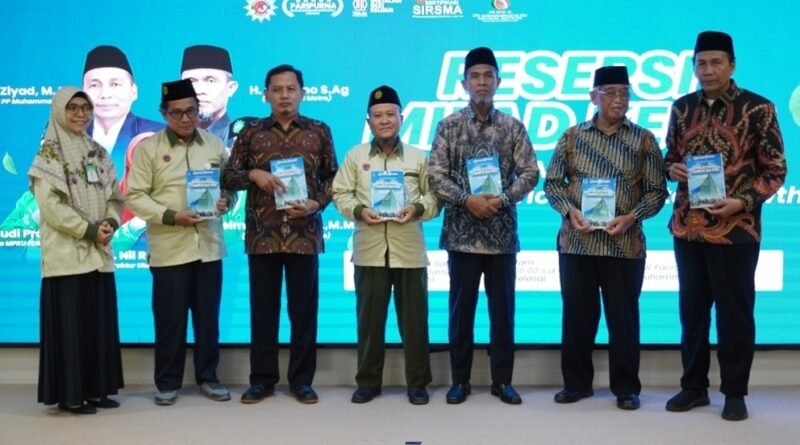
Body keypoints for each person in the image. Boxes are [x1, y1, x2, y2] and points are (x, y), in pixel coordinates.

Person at [663, 31, 787, 421]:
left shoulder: (758, 108)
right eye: (701, 63)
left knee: (735, 314)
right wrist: (671, 168)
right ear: (693, 67)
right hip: (689, 227)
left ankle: (735, 392)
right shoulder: (682, 108)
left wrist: (742, 201)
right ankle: (693, 387)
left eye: (717, 62)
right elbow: (670, 154)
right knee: (692, 312)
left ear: (732, 65)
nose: (708, 70)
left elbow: (775, 170)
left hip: (736, 229)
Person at [544, 66, 668, 411]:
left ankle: (626, 388)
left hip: (624, 245)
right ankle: (576, 384)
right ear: (593, 97)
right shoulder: (571, 137)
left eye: (624, 93)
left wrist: (632, 217)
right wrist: (570, 211)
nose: (618, 99)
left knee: (623, 320)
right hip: (577, 243)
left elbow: (657, 191)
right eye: (610, 92)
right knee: (577, 318)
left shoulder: (644, 140)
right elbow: (552, 184)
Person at [428, 47, 539, 405]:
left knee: (503, 314)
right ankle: (459, 381)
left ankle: (502, 381)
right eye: (474, 76)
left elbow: (530, 172)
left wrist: (502, 199)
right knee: (461, 313)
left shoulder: (512, 126)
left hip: (501, 236)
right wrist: (467, 200)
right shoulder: (449, 126)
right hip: (461, 236)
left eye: (487, 76)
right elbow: (435, 175)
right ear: (463, 83)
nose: (481, 82)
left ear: (498, 82)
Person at [222, 64, 338, 405]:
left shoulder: (319, 131)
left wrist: (317, 203)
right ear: (266, 95)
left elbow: (333, 178)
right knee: (263, 311)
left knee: (304, 313)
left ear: (302, 93)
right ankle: (262, 380)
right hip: (264, 236)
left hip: (304, 235)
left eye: (291, 89)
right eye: (277, 89)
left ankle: (302, 381)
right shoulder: (251, 133)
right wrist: (253, 174)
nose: (284, 95)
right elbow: (228, 176)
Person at [125, 79, 235, 406]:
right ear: (164, 113)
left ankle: (208, 377)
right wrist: (172, 216)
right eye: (177, 113)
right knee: (170, 320)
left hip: (208, 247)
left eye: (191, 111)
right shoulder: (149, 148)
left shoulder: (214, 145)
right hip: (169, 249)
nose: (185, 119)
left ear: (198, 110)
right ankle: (167, 382)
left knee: (207, 319)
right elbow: (135, 196)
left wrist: (226, 202)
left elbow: (229, 188)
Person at [332, 85, 438, 405]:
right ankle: (368, 382)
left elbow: (435, 197)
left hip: (409, 251)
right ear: (369, 121)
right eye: (377, 116)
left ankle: (417, 383)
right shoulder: (355, 156)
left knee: (415, 323)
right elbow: (340, 193)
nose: (384, 120)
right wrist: (358, 211)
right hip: (369, 250)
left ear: (401, 118)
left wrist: (416, 208)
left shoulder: (419, 157)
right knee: (369, 322)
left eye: (390, 114)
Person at [30, 86, 124, 414]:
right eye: (73, 108)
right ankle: (71, 396)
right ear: (59, 111)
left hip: (99, 254)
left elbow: (115, 197)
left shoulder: (97, 152)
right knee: (71, 329)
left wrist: (110, 222)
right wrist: (88, 230)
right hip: (66, 257)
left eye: (85, 108)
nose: (81, 114)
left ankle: (97, 390)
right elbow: (51, 207)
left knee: (98, 324)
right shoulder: (48, 156)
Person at [82, 45, 162, 179]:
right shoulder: (68, 137)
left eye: (115, 84)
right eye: (94, 85)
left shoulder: (161, 135)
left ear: (134, 91)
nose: (105, 94)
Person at [180, 45, 239, 147]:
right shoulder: (164, 140)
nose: (199, 90)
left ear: (231, 88)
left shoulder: (243, 139)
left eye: (210, 81)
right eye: (191, 81)